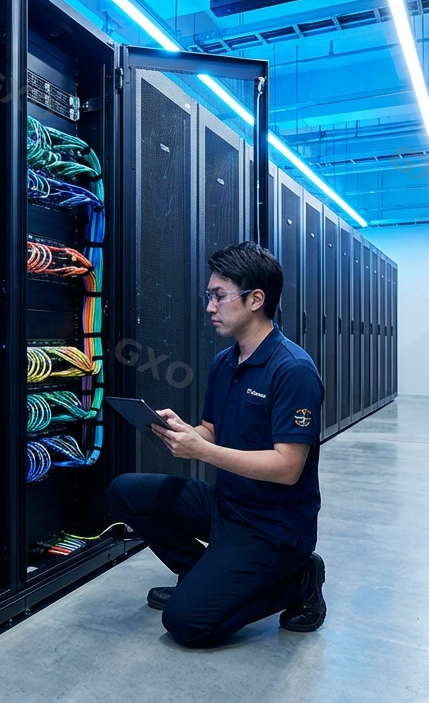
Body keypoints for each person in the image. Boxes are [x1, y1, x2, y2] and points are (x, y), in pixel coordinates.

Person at [107, 241, 327, 647]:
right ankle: (199, 576)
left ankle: (297, 579)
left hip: (272, 525)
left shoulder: (293, 370)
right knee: (125, 491)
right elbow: (211, 428)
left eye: (219, 296)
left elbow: (287, 467)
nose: (210, 306)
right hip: (227, 504)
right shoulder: (225, 362)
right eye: (209, 296)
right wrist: (185, 433)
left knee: (187, 624)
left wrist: (203, 451)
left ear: (256, 299)